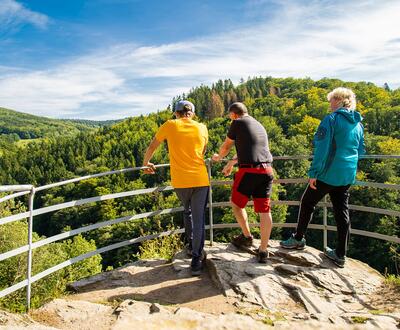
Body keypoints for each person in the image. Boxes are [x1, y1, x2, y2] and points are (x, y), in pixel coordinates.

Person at [280, 87, 365, 268]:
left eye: (332, 100)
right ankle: (340, 255)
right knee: (342, 212)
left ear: (340, 101)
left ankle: (298, 238)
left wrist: (313, 173)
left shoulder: (331, 120)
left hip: (328, 173)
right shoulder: (358, 123)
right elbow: (360, 151)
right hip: (347, 174)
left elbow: (322, 149)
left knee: (307, 202)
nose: (329, 103)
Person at [142, 100, 209, 276]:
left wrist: (146, 163)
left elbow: (152, 146)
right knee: (199, 218)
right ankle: (196, 260)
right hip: (201, 179)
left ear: (176, 113)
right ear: (192, 114)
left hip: (180, 180)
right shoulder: (202, 127)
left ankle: (190, 243)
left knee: (187, 211)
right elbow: (202, 152)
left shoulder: (170, 125)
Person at [212, 102, 274, 263]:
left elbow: (226, 146)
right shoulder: (257, 124)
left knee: (236, 204)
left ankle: (247, 236)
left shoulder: (237, 123)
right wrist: (231, 163)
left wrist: (219, 157)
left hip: (249, 172)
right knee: (264, 210)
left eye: (229, 116)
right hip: (267, 171)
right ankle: (263, 250)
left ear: (233, 114)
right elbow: (251, 149)